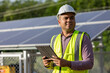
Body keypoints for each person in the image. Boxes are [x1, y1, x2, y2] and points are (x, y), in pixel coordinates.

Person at [42, 4, 94, 73]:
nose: (69, 20)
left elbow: (89, 63)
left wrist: (68, 64)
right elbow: (54, 65)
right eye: (66, 18)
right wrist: (47, 64)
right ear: (59, 22)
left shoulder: (83, 37)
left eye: (72, 18)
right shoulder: (54, 39)